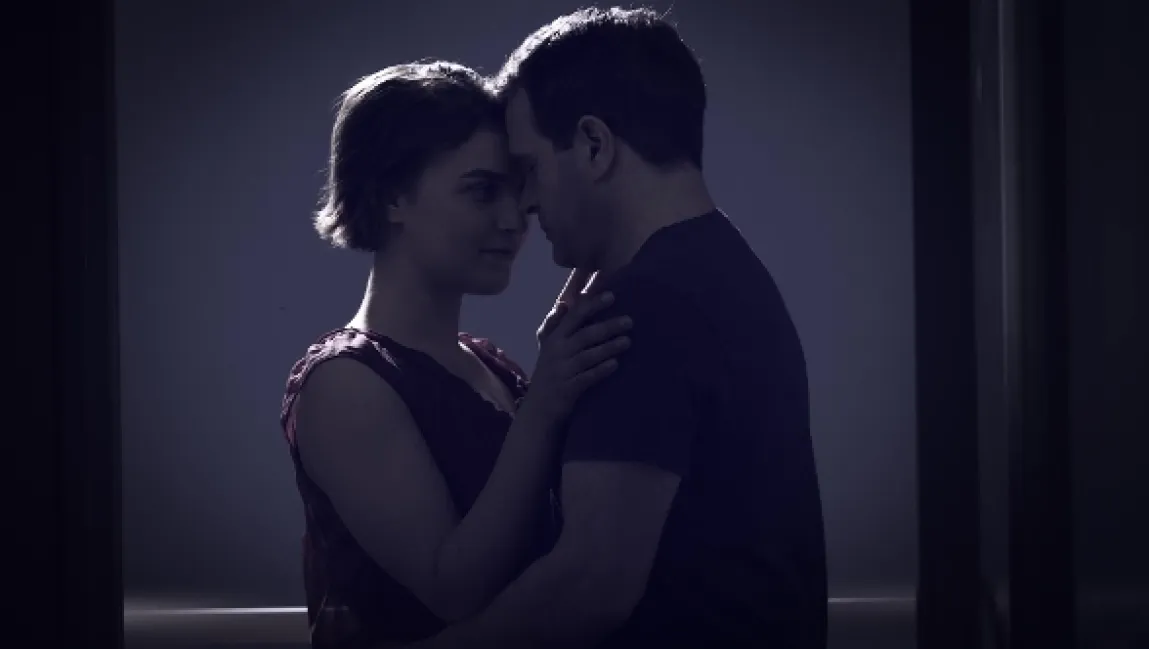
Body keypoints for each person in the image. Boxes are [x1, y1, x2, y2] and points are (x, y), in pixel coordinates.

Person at [410, 8, 828, 649]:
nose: (525, 203)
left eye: (530, 169)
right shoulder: (723, 266)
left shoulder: (646, 306)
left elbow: (589, 586)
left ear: (594, 145)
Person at [279, 61, 633, 649]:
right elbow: (453, 589)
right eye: (481, 190)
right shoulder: (344, 384)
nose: (514, 219)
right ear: (393, 195)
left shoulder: (491, 365)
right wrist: (545, 406)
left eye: (518, 190)